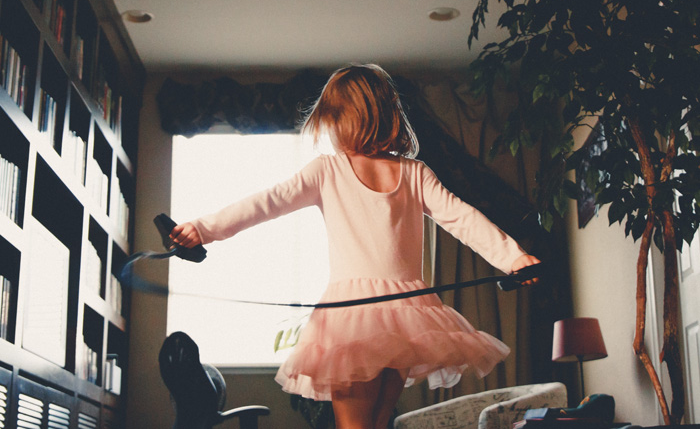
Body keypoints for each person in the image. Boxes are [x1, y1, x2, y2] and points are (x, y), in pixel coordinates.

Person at [170, 64, 540, 429]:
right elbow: (463, 218)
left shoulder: (331, 170)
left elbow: (266, 203)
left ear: (343, 119)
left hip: (353, 317)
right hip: (406, 316)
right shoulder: (413, 172)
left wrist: (202, 229)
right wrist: (514, 257)